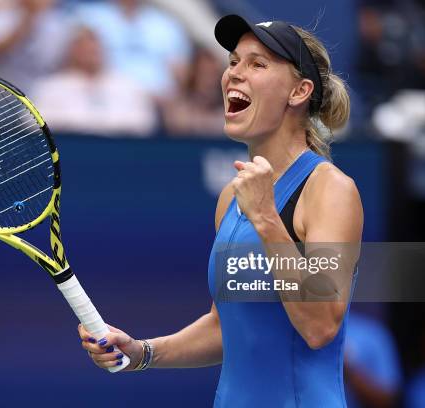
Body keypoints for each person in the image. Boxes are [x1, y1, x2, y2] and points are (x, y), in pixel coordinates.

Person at [78, 14, 363, 407]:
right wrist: (142, 352)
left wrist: (266, 219)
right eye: (233, 62)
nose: (234, 74)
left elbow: (320, 325)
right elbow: (225, 326)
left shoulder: (331, 189)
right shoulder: (232, 197)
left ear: (299, 91)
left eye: (257, 64)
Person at [28, 25, 156, 136]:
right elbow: (30, 122)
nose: (90, 52)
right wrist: (82, 124)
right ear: (71, 50)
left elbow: (145, 122)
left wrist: (102, 125)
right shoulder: (50, 87)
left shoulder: (128, 86)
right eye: (83, 47)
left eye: (94, 47)